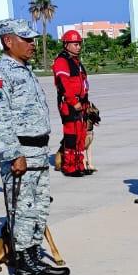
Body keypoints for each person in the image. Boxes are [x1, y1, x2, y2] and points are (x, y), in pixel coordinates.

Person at [0, 18, 69, 275]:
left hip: (38, 151)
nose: (33, 44)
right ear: (8, 41)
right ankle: (24, 266)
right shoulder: (1, 72)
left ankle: (34, 256)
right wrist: (13, 154)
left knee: (39, 208)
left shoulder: (24, 70)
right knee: (21, 210)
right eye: (26, 39)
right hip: (20, 152)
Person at [52, 30, 93, 177]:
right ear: (66, 44)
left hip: (80, 103)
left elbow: (82, 83)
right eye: (75, 44)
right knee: (71, 136)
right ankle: (69, 167)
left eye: (79, 44)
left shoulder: (76, 61)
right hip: (69, 104)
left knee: (81, 135)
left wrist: (85, 103)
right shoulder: (62, 61)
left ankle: (79, 164)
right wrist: (73, 101)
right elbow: (64, 85)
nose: (78, 47)